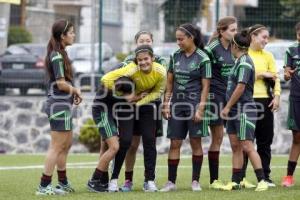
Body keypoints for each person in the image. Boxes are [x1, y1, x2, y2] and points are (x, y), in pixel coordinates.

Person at [88, 45, 166, 192]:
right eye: (140, 60)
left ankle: (149, 181)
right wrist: (127, 97)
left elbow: (158, 92)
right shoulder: (131, 68)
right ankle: (114, 180)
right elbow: (106, 79)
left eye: (146, 59)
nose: (143, 62)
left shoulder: (161, 71)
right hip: (127, 105)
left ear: (153, 58)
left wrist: (139, 102)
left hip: (146, 104)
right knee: (124, 141)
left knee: (150, 140)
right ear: (136, 61)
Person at [111, 31, 167, 192]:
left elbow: (163, 84)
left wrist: (165, 103)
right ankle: (127, 180)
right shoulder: (129, 61)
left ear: (152, 42)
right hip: (130, 106)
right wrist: (132, 97)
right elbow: (119, 84)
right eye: (142, 40)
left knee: (150, 142)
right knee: (130, 144)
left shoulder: (161, 61)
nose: (145, 42)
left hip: (151, 106)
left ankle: (149, 180)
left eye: (148, 40)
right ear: (136, 43)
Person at [160, 23, 211, 192]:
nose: (178, 42)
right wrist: (166, 104)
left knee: (196, 142)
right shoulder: (175, 56)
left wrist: (201, 108)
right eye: (177, 39)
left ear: (191, 38)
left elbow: (206, 87)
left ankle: (195, 181)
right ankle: (170, 182)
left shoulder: (203, 58)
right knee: (175, 142)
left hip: (194, 104)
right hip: (177, 105)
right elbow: (169, 83)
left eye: (181, 39)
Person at [36, 19, 82, 195]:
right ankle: (43, 185)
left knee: (66, 144)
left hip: (63, 104)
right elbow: (61, 84)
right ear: (62, 36)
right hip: (58, 105)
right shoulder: (56, 55)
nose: (73, 35)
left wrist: (72, 94)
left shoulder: (61, 53)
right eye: (71, 32)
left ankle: (62, 183)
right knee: (56, 146)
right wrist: (75, 90)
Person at [220, 29, 268, 192]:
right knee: (236, 146)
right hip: (234, 111)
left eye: (230, 45)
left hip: (243, 109)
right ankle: (236, 181)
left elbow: (240, 88)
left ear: (234, 45)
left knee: (247, 145)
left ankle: (262, 180)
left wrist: (226, 107)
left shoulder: (245, 62)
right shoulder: (239, 61)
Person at [242, 24, 281, 187]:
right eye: (263, 37)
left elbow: (275, 78)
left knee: (265, 141)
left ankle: (265, 176)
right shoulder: (243, 55)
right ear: (253, 37)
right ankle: (240, 178)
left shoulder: (268, 56)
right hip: (247, 102)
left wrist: (277, 96)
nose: (266, 40)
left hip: (265, 102)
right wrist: (260, 74)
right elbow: (240, 77)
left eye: (267, 37)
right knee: (245, 141)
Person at [204, 16, 237, 189]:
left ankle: (239, 178)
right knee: (217, 138)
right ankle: (214, 180)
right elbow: (205, 76)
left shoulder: (235, 47)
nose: (235, 33)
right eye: (232, 30)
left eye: (236, 29)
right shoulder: (211, 49)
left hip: (232, 97)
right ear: (221, 31)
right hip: (215, 97)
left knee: (237, 138)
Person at [87, 76, 136, 193]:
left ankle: (103, 182)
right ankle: (94, 180)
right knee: (114, 147)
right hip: (103, 113)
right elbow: (125, 99)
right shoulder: (109, 84)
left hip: (108, 113)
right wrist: (134, 97)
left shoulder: (116, 82)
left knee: (105, 148)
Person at [281, 22, 300, 187]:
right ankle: (288, 177)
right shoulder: (291, 50)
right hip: (296, 98)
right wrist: (288, 74)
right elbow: (286, 75)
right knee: (297, 137)